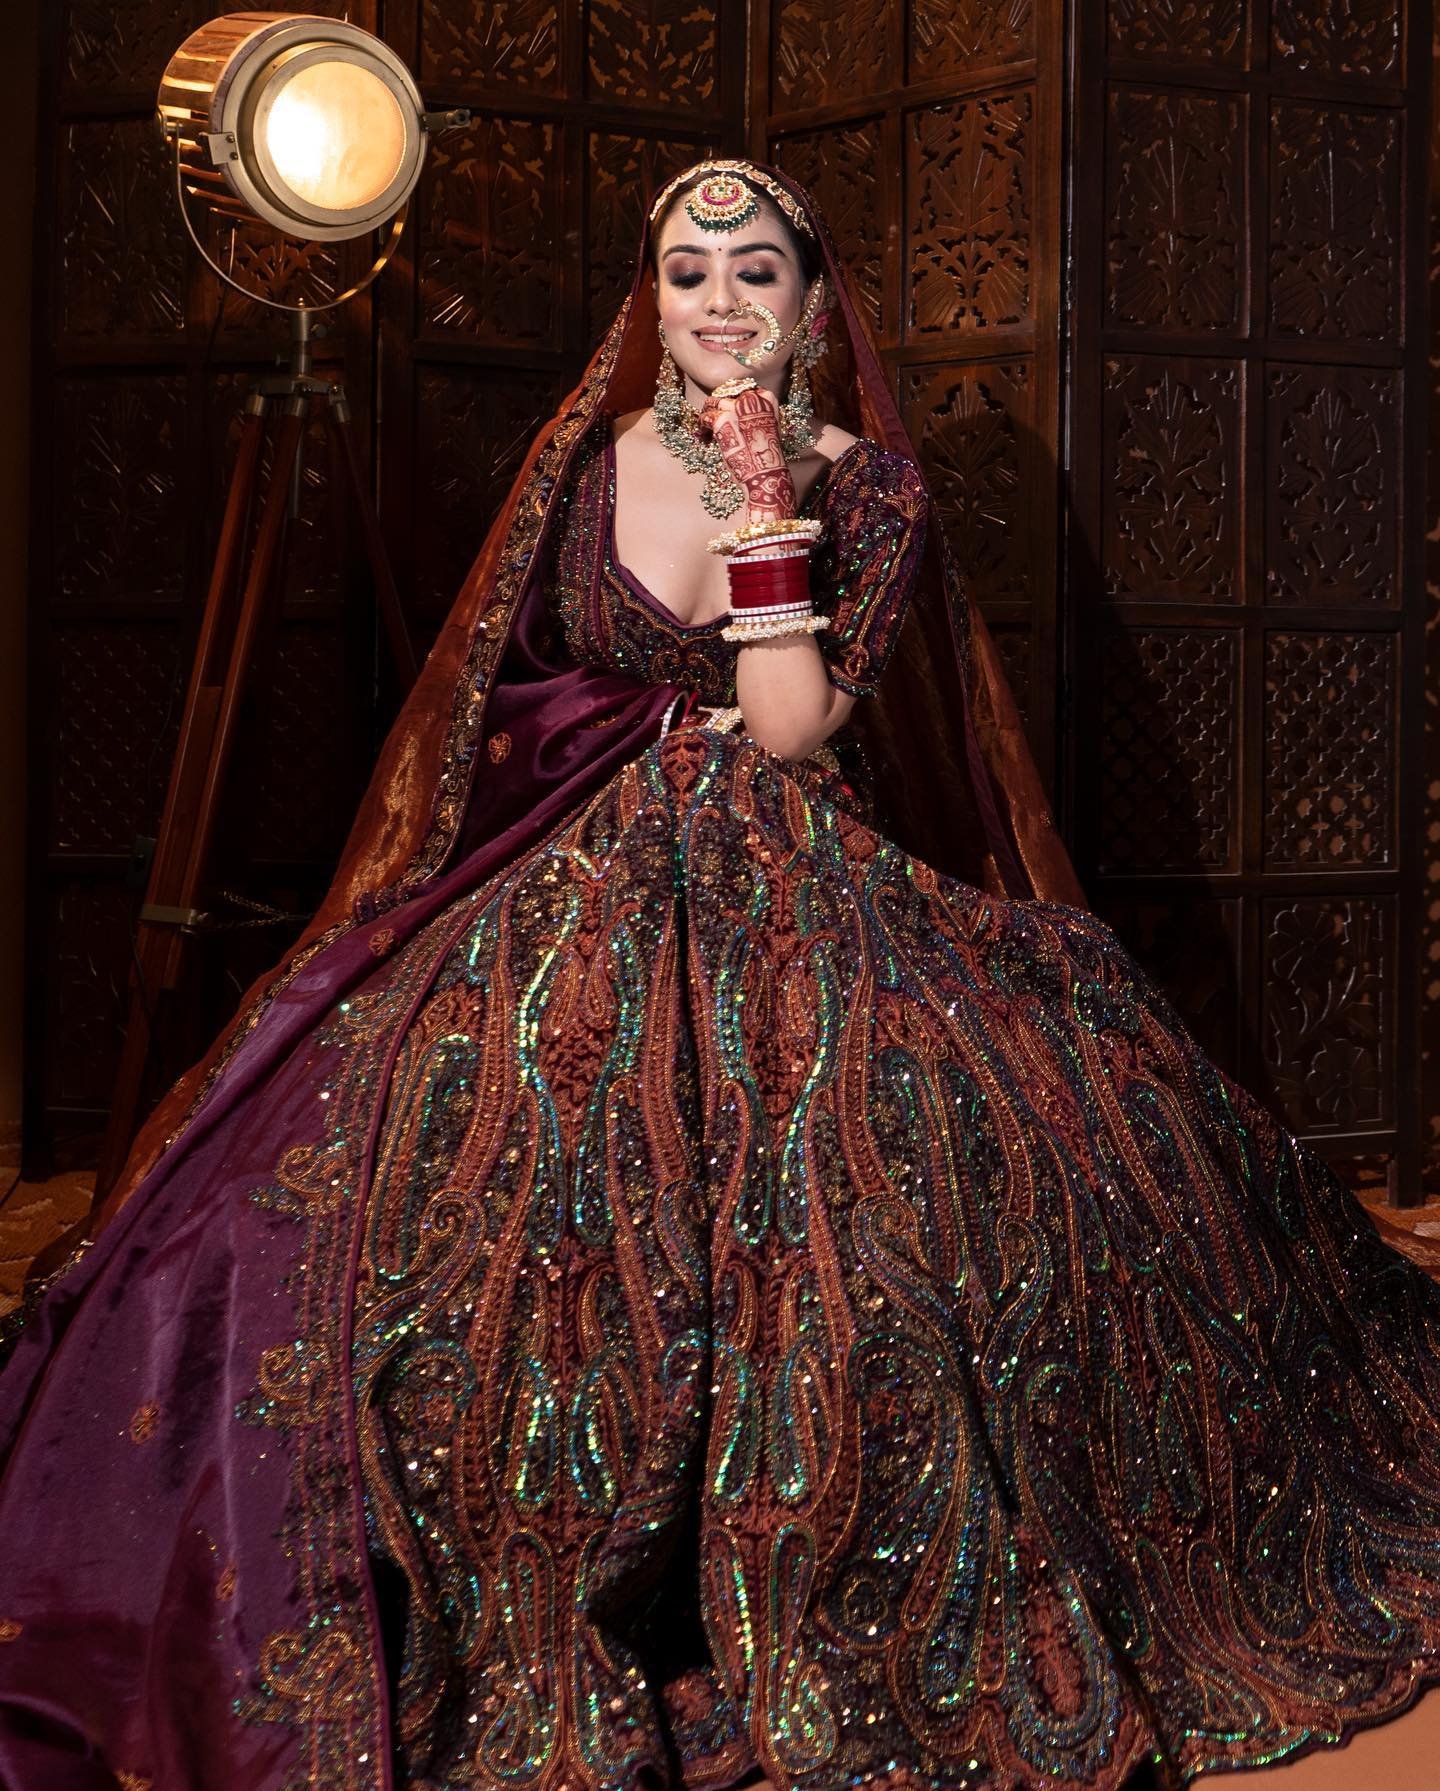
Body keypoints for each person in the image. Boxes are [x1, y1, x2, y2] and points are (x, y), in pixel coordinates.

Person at [1, 157, 1439, 1791]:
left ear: (814, 306)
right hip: (577, 869)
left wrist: (766, 508)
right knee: (389, 1171)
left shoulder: (866, 491)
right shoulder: (587, 461)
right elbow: (519, 697)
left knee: (926, 1189)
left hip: (791, 865)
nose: (721, 305)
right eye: (688, 274)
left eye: (757, 272)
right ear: (653, 298)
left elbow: (790, 727)